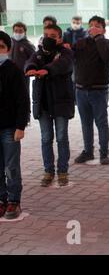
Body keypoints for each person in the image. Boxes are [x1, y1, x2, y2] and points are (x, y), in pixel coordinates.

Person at [24, 25, 75, 187]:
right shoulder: (39, 52)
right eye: (46, 35)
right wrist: (31, 68)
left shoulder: (66, 53)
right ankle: (48, 171)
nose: (48, 38)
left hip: (61, 102)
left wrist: (46, 70)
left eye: (53, 36)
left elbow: (64, 65)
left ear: (59, 38)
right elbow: (30, 62)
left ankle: (63, 171)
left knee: (61, 137)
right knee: (46, 138)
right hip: (43, 104)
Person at [73, 16, 109, 165]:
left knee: (101, 123)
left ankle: (104, 153)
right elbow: (70, 57)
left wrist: (98, 38)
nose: (93, 28)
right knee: (86, 123)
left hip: (99, 91)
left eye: (97, 26)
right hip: (80, 90)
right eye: (91, 25)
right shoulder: (80, 43)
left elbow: (107, 57)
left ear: (103, 29)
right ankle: (88, 152)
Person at [0, 31, 30, 219]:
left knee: (11, 166)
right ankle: (1, 200)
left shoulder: (14, 71)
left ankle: (13, 201)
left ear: (8, 50)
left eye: (1, 47)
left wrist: (20, 126)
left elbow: (22, 101)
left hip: (10, 128)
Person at [10, 22, 36, 93]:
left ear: (25, 32)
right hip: (9, 74)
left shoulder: (28, 45)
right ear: (13, 31)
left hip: (22, 75)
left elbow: (33, 59)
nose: (18, 33)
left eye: (20, 31)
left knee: (23, 94)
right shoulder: (9, 43)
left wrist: (29, 69)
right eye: (16, 31)